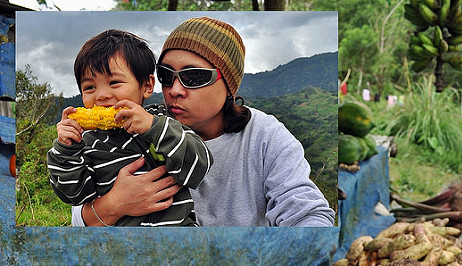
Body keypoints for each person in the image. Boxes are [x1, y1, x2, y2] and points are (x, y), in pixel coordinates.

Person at [71, 17, 335, 228]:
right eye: (166, 75)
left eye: (194, 77)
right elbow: (81, 219)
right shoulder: (134, 129)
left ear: (229, 85)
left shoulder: (265, 136)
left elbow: (304, 210)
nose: (175, 89)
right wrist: (114, 205)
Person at [48, 29, 212, 227]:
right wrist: (66, 150)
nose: (101, 96)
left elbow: (199, 167)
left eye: (114, 82)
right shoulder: (89, 144)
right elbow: (73, 194)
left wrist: (155, 128)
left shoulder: (164, 122)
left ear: (147, 85)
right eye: (89, 87)